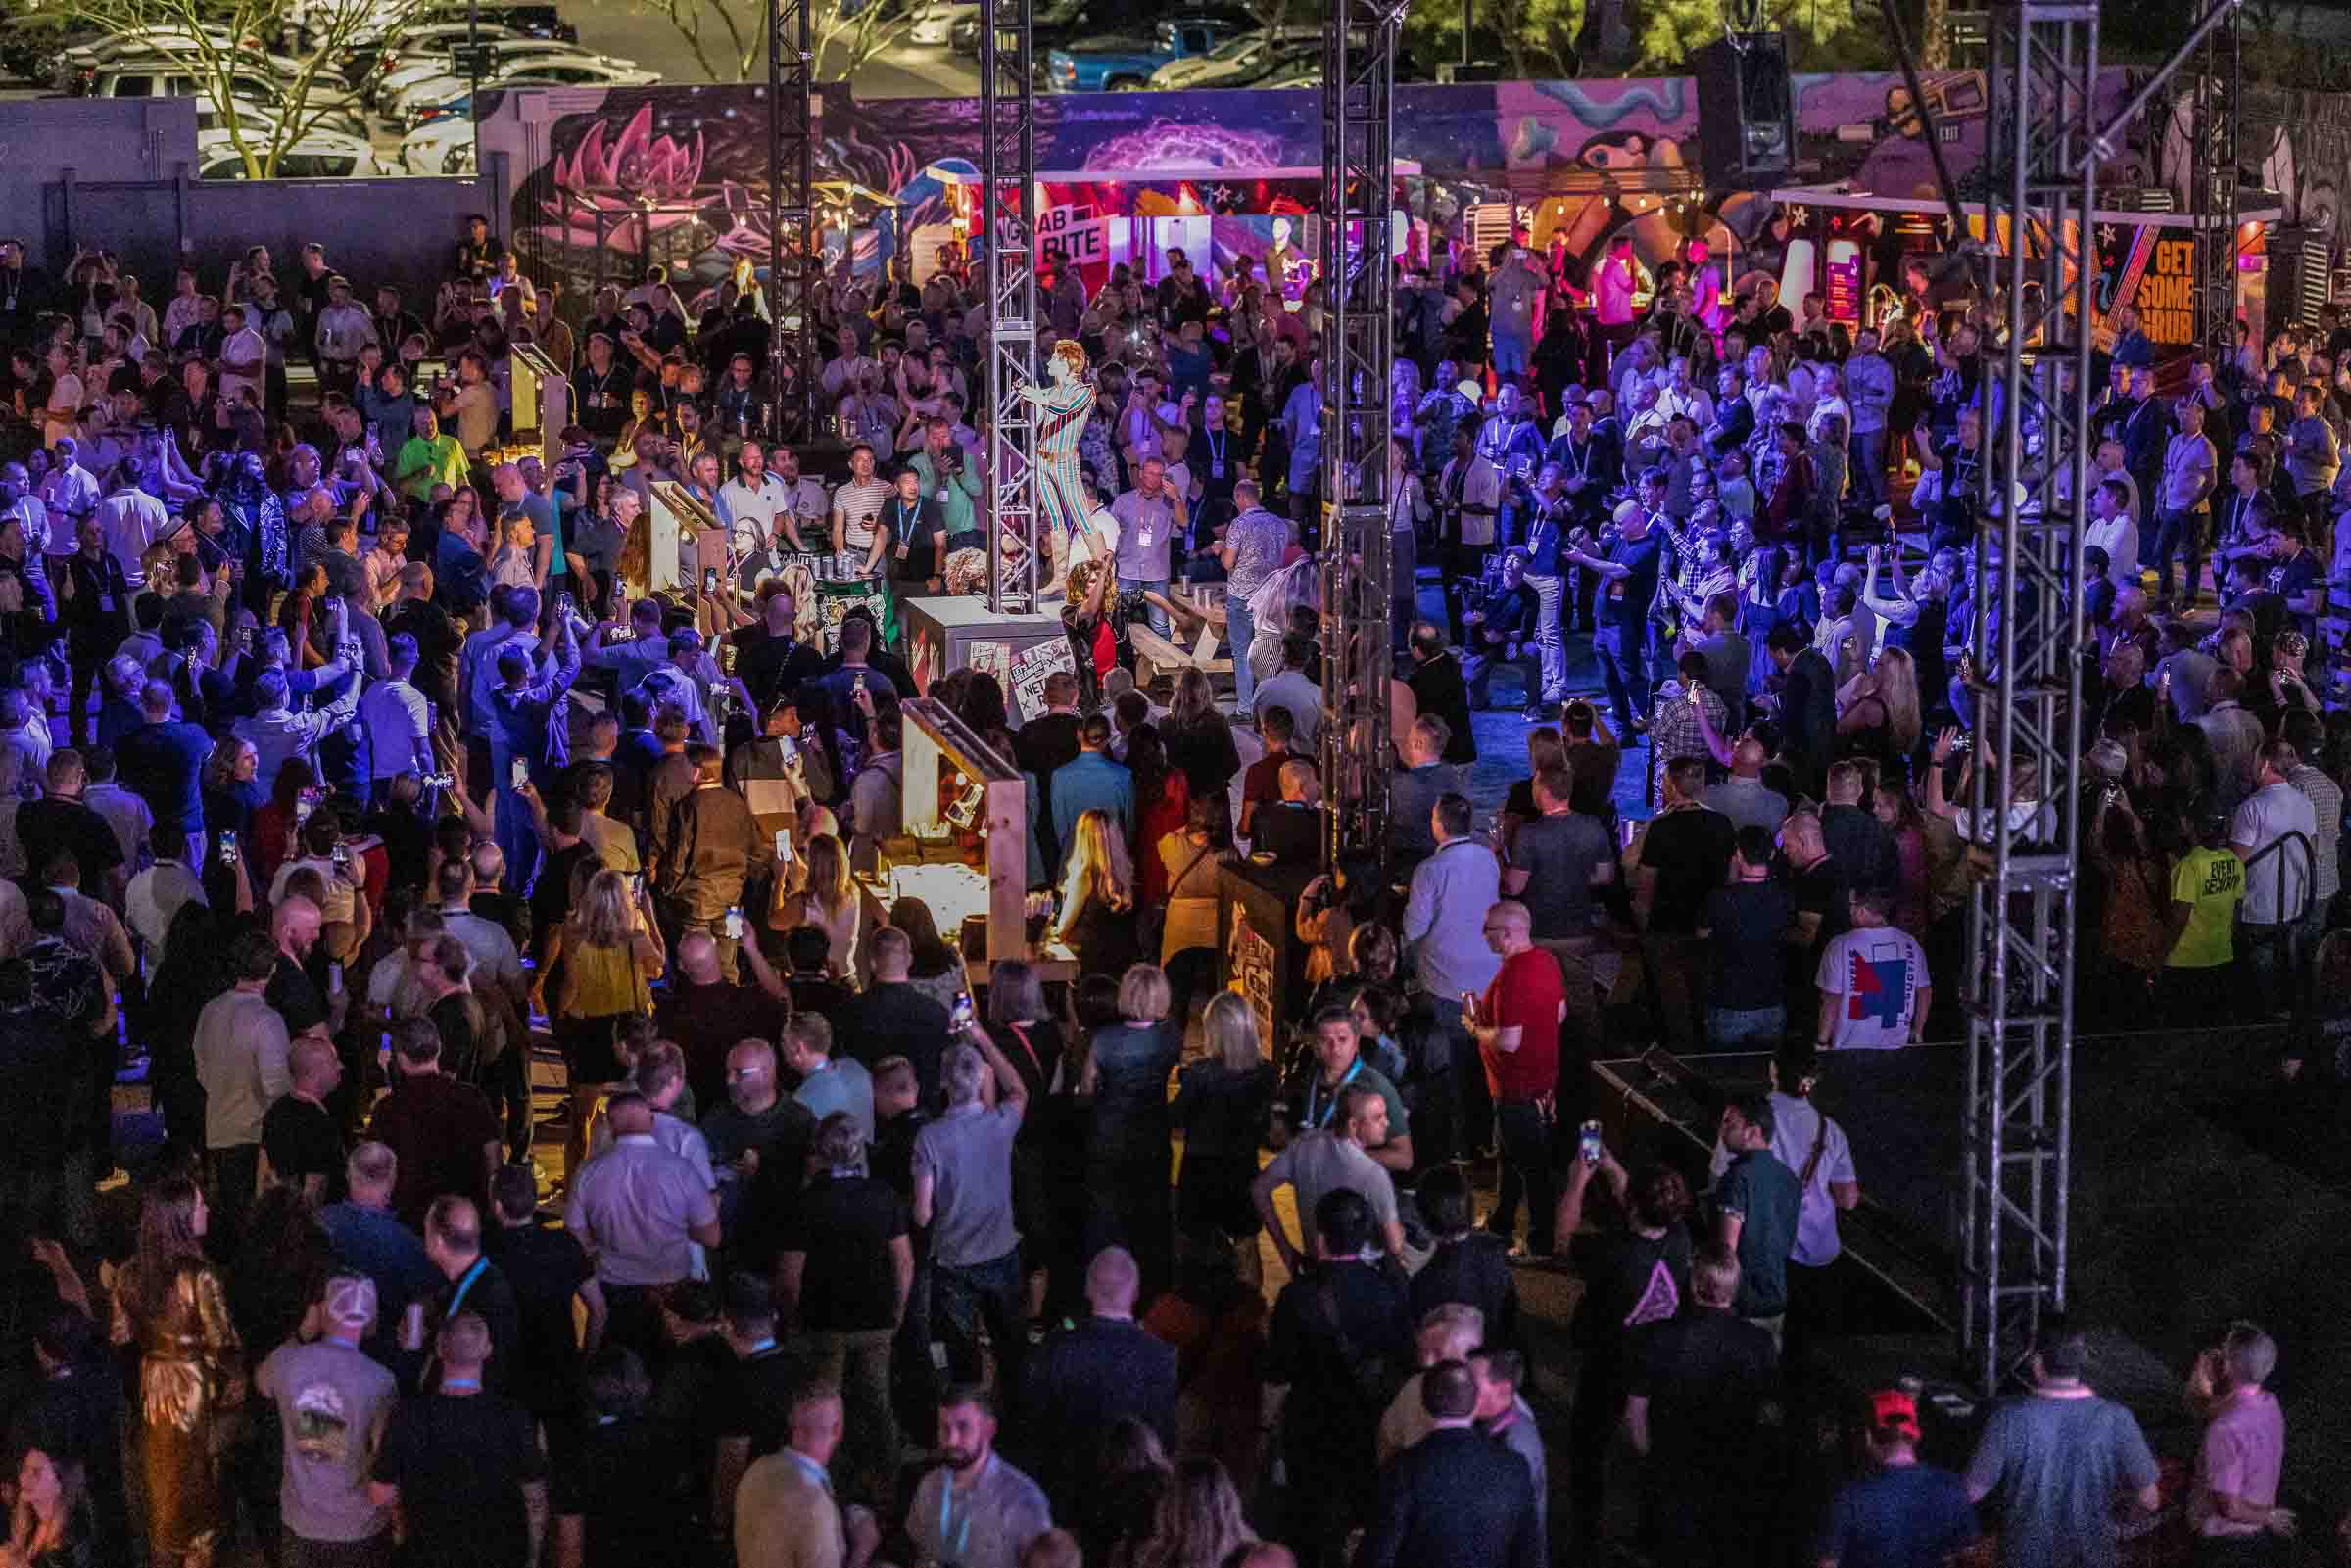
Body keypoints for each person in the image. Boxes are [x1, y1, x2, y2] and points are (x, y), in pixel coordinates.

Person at [1261, 1189, 1412, 1565]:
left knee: (1309, 1527)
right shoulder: (1390, 1290)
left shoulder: (1297, 1297)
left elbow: (1277, 1375)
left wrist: (1266, 1431)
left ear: (1321, 1238)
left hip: (1311, 1430)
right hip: (1369, 1426)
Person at [773, 1109, 910, 1503]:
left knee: (823, 1407)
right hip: (876, 1318)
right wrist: (898, 1309)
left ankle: (824, 1486)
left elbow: (790, 1274)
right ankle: (886, 1484)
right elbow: (903, 1261)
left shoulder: (806, 1203)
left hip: (823, 1321)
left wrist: (791, 1315)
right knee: (877, 1402)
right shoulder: (884, 1197)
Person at [1624, 1244, 1782, 1563]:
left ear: (1694, 1284)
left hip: (1671, 1472)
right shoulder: (1760, 1344)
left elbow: (1635, 1408)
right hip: (1731, 1474)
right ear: (1733, 1290)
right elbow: (1770, 1413)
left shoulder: (1660, 1337)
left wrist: (1650, 1458)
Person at [113, 1178, 241, 1568]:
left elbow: (120, 1334)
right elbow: (226, 1345)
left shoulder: (129, 1274)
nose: (207, 1211)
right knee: (200, 1487)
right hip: (193, 1390)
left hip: (152, 1386)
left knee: (162, 1488)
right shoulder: (199, 1276)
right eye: (200, 1205)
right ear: (181, 1217)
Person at [1964, 1322, 2162, 1568]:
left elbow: (1971, 1492)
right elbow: (2150, 1500)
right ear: (2082, 1363)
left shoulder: (2008, 1418)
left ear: (2037, 1363)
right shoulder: (2116, 1418)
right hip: (2094, 1557)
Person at [367, 1311, 549, 1568]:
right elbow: (535, 1498)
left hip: (426, 1555)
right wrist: (533, 1558)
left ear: (439, 1349)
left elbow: (380, 1495)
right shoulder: (513, 1416)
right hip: (500, 1555)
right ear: (487, 1350)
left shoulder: (407, 1414)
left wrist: (402, 1521)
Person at [1017, 1246, 1179, 1518]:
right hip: (1134, 1502)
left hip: (1068, 1499)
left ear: (1089, 1291)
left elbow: (1033, 1430)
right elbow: (1166, 1437)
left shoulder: (1056, 1349)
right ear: (1136, 1292)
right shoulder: (1160, 1357)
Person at [914, 1026, 1033, 1390]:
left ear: (944, 1084)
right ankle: (1017, 1423)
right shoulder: (1000, 1122)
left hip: (954, 1260)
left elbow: (922, 1212)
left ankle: (968, 1429)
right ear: (981, 1076)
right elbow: (1018, 1088)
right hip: (1000, 1250)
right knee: (1012, 1347)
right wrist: (982, 1039)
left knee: (962, 1360)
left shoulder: (929, 1138)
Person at [256, 1273, 399, 1568]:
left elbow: (260, 1383)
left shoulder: (286, 1361)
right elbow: (384, 1456)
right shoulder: (381, 1381)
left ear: (321, 1311)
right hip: (357, 1528)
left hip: (299, 1520)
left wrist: (299, 1335)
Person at [564, 1092, 720, 1358]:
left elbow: (574, 1233)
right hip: (670, 1291)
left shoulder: (589, 1171)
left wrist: (596, 1249)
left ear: (611, 1126)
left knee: (619, 1361)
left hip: (614, 1286)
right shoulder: (680, 1169)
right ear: (650, 1121)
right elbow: (712, 1236)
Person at [1356, 1360, 1543, 1568]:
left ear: (1425, 1402)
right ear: (1475, 1402)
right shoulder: (1514, 1468)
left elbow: (1377, 1557)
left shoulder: (1402, 1470)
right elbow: (1531, 1555)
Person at [1465, 901, 1565, 1261]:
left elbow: (1509, 1040)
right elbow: (1559, 1014)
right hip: (1539, 1084)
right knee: (1510, 1159)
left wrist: (1477, 1029)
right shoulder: (1548, 962)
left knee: (1532, 1169)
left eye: (1489, 930)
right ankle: (1501, 1223)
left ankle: (1540, 1244)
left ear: (1507, 934)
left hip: (1516, 1088)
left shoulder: (1512, 975)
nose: (1484, 935)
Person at [1814, 1388, 1981, 1568]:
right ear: (1916, 1435)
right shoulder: (1953, 1487)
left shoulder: (1848, 1499)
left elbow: (1827, 1564)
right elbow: (1969, 1556)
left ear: (1868, 1437)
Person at [901, 1386, 1053, 1568]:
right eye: (944, 1428)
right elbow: (919, 1552)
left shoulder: (1022, 1499)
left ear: (989, 1429)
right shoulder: (929, 1485)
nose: (951, 1440)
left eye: (963, 1427)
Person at [2183, 1321, 2294, 1562]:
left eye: (2224, 1352)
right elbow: (2225, 1407)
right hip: (2256, 1540)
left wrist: (2269, 1517)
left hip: (2226, 1547)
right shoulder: (2270, 1404)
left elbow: (2229, 1508)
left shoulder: (2224, 1430)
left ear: (2228, 1366)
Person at [735, 1384, 880, 1568]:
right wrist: (863, 1548)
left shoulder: (756, 1470)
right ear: (837, 1429)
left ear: (791, 1422)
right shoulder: (814, 1505)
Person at [1713, 1091, 1800, 1348]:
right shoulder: (1790, 1180)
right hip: (1775, 1299)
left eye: (1730, 1123)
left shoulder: (1737, 1179)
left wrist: (1720, 1303)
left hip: (1741, 1303)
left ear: (1752, 1131)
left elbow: (1727, 1250)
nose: (1722, 1129)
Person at [1815, 883, 1934, 1048]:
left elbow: (1831, 1000)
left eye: (1852, 905)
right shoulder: (1910, 943)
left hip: (1849, 1050)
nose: (1849, 911)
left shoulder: (1840, 945)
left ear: (1862, 910)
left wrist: (1822, 1041)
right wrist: (1918, 1031)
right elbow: (1925, 992)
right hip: (1897, 1047)